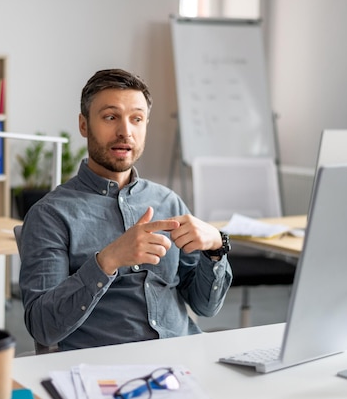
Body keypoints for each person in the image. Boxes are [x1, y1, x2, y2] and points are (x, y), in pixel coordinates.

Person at [18, 68, 232, 351]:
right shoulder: (50, 215)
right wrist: (107, 261)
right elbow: (43, 327)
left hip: (182, 355)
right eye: (110, 117)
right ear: (84, 125)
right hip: (105, 368)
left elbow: (205, 307)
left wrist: (216, 249)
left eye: (137, 119)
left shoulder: (168, 202)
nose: (125, 132)